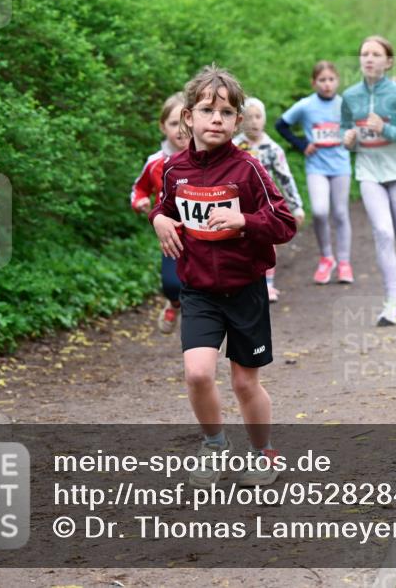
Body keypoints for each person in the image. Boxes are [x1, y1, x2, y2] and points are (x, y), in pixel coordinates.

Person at [150, 64, 297, 487]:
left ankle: (263, 452)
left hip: (245, 289)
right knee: (197, 373)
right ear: (188, 118)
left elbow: (284, 224)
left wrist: (244, 221)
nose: (217, 118)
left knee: (244, 383)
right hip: (198, 289)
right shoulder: (175, 170)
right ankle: (214, 445)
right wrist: (159, 219)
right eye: (207, 110)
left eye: (227, 112)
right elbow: (165, 207)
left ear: (237, 121)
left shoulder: (248, 170)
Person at [342, 35, 396, 327]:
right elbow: (347, 136)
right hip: (369, 172)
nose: (368, 59)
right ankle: (394, 302)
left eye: (376, 54)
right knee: (382, 232)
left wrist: (387, 129)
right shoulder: (350, 96)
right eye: (364, 54)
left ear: (388, 62)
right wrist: (349, 140)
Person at [275, 61, 353, 286]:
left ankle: (345, 262)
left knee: (340, 213)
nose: (327, 85)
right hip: (316, 166)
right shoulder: (306, 105)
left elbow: (354, 131)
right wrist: (301, 144)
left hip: (340, 166)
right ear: (314, 82)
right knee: (319, 211)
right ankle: (327, 257)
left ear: (337, 81)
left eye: (331, 80)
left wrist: (351, 138)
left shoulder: (345, 105)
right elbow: (281, 125)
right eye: (322, 80)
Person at [234, 97, 306, 302]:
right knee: (240, 243)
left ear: (264, 120)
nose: (253, 122)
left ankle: (268, 284)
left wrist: (296, 207)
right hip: (237, 203)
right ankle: (242, 282)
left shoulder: (273, 149)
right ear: (240, 121)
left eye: (257, 117)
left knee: (267, 242)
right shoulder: (233, 146)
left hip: (264, 203)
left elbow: (285, 178)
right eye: (248, 118)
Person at [131, 92, 189, 334]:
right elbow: (139, 188)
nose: (180, 130)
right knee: (172, 284)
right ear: (163, 126)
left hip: (206, 232)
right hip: (172, 234)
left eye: (185, 123)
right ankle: (174, 303)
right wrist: (141, 201)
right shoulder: (155, 162)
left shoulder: (208, 158)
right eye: (174, 124)